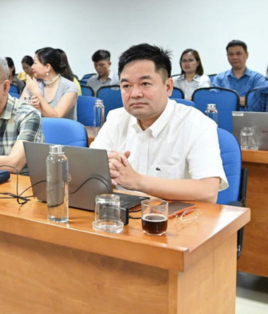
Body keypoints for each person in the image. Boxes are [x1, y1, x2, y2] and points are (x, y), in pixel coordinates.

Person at [90, 44, 227, 203]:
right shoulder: (116, 118)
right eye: (126, 86)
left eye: (145, 84)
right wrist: (104, 168)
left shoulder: (197, 124)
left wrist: (138, 181)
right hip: (122, 212)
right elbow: (89, 170)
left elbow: (208, 191)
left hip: (177, 215)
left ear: (168, 87)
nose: (135, 94)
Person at [22, 47, 78, 120]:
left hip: (61, 127)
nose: (32, 67)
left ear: (47, 67)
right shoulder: (34, 84)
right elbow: (19, 109)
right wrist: (30, 105)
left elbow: (56, 117)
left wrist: (37, 93)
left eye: (35, 63)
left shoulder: (69, 87)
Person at [213, 40, 267, 107]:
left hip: (249, 113)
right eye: (231, 54)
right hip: (225, 112)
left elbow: (259, 101)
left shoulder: (257, 78)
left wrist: (227, 99)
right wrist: (244, 100)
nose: (234, 57)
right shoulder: (219, 78)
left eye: (238, 54)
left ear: (247, 55)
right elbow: (214, 99)